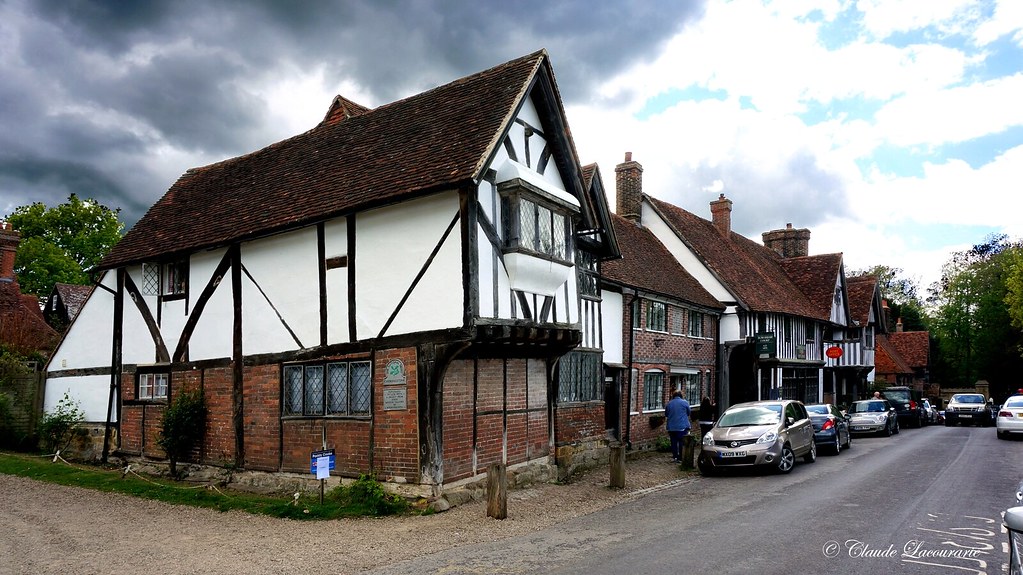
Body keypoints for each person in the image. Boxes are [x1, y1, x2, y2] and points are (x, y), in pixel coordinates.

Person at [664, 391, 691, 463]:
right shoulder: (685, 403)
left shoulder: (669, 403)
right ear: (681, 395)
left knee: (673, 442)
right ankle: (680, 457)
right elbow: (689, 413)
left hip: (671, 427)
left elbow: (666, 414)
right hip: (682, 426)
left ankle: (675, 456)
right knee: (681, 442)